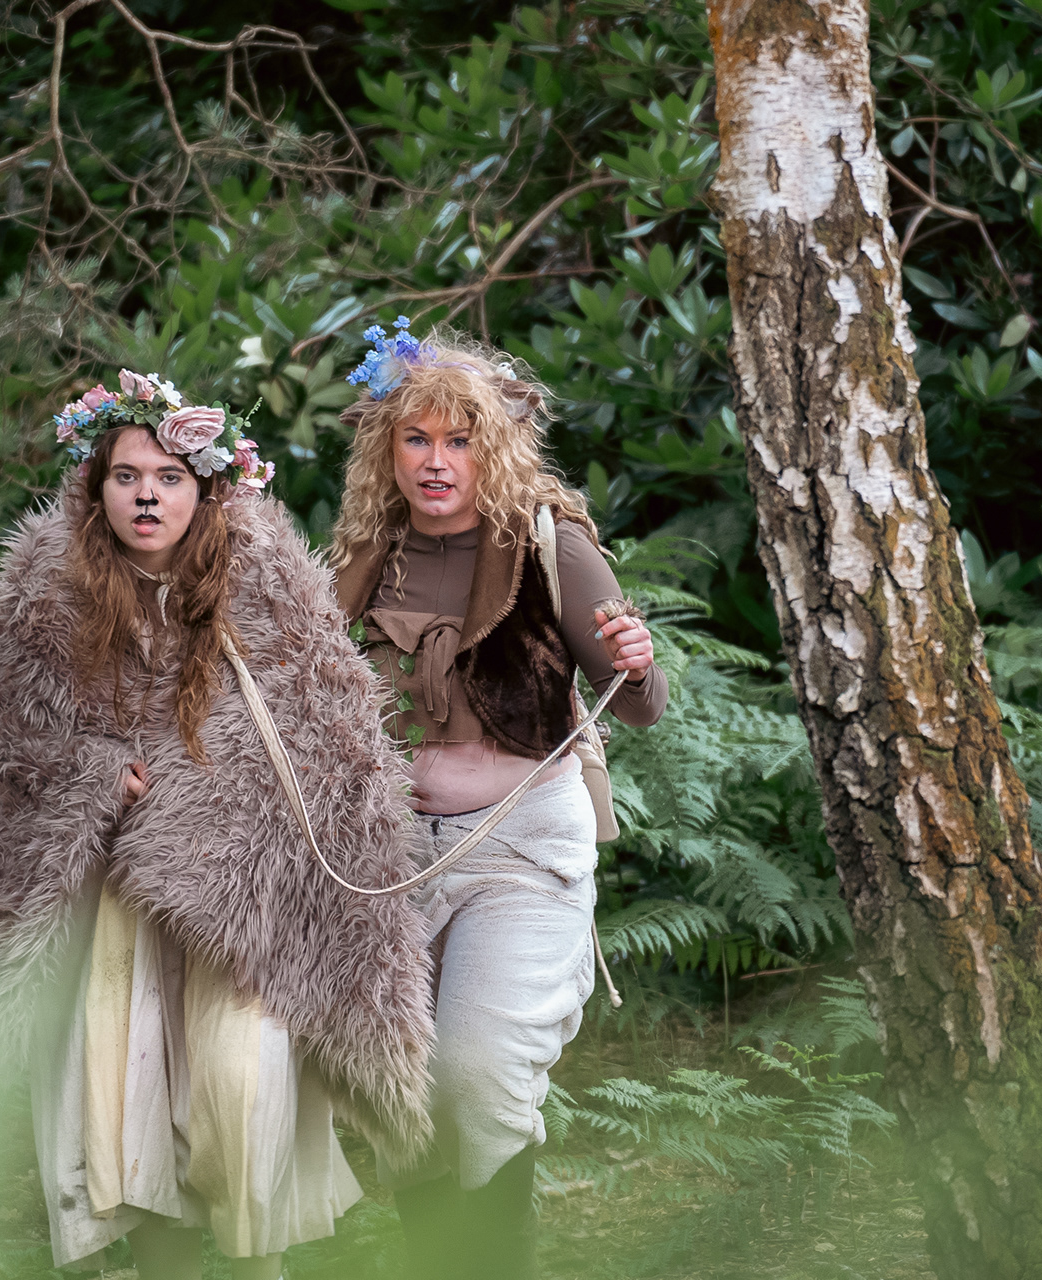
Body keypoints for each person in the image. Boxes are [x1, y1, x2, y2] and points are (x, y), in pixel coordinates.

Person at [0, 372, 435, 1279]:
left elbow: (330, 732)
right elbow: (11, 740)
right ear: (97, 487)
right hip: (119, 898)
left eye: (169, 478)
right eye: (127, 477)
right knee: (128, 1108)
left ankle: (258, 1269)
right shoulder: (46, 595)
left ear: (204, 488)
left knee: (245, 1087)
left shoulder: (267, 585)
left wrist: (223, 798)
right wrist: (97, 774)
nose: (147, 497)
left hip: (242, 890)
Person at [330, 321, 669, 1279]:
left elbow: (638, 704)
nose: (437, 462)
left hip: (518, 850)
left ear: (496, 447)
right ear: (388, 447)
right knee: (401, 1093)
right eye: (417, 438)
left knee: (477, 1074)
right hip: (386, 859)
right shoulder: (362, 555)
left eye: (460, 440)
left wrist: (639, 661)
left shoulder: (549, 547)